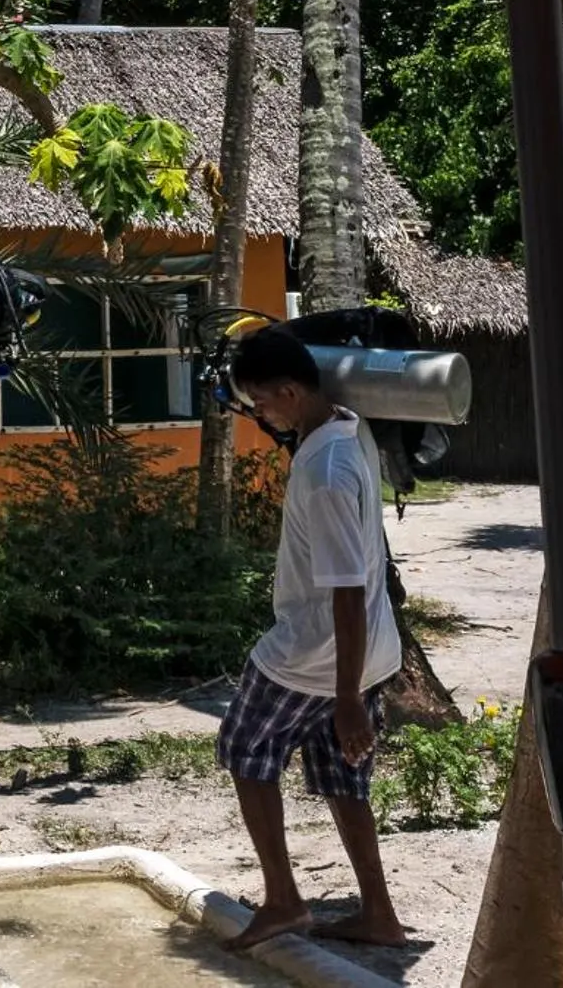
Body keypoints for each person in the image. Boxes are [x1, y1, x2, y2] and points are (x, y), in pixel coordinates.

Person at [219, 326, 407, 949]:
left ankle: (282, 900)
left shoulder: (324, 471)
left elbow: (346, 589)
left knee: (246, 750)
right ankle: (377, 913)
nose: (258, 415)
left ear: (290, 390)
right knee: (342, 777)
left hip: (317, 654)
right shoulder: (349, 430)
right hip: (368, 649)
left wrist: (347, 696)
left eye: (261, 403)